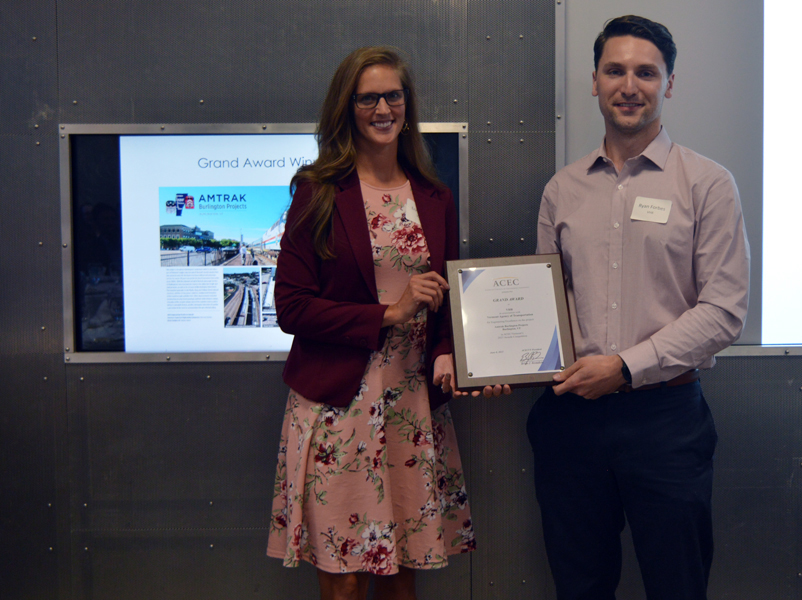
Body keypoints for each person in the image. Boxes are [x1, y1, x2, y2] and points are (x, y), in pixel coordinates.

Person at [525, 15, 750, 600]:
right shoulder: (562, 190)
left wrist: (624, 366)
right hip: (570, 421)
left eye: (646, 72)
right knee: (580, 586)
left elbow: (725, 310)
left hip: (665, 421)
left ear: (668, 84)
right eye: (615, 70)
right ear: (594, 82)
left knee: (677, 586)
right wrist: (507, 361)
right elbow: (546, 308)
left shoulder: (708, 184)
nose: (630, 85)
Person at [266, 46, 474, 600]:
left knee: (402, 571)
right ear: (346, 108)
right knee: (346, 580)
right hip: (339, 405)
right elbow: (291, 307)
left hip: (411, 404)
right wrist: (390, 312)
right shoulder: (318, 191)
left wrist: (448, 353)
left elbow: (448, 302)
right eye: (368, 98)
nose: (383, 108)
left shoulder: (434, 197)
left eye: (393, 96)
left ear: (408, 105)